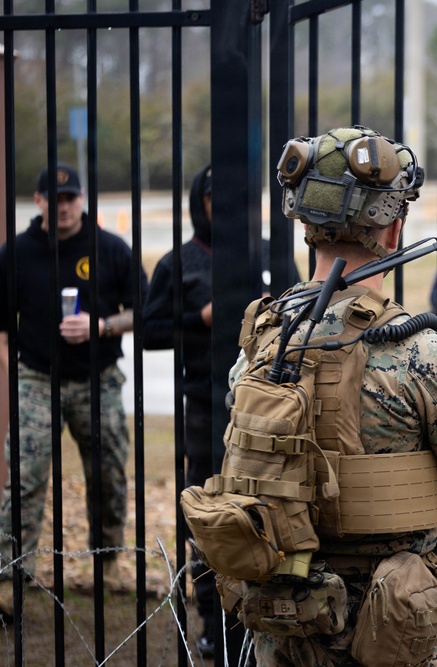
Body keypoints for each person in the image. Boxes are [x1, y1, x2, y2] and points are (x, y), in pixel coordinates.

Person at [213, 126, 437, 666]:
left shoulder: (262, 339)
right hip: (387, 627)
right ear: (393, 231)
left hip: (284, 616)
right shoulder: (422, 353)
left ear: (307, 227)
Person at [0, 162, 149, 616]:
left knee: (109, 474)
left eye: (71, 198)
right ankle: (10, 577)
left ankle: (107, 565)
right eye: (55, 198)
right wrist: (20, 373)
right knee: (23, 480)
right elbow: (3, 328)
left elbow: (143, 311)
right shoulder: (17, 252)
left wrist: (101, 326)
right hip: (36, 378)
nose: (64, 207)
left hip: (98, 378)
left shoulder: (111, 248)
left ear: (81, 200)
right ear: (39, 200)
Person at [141, 164, 218, 657]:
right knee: (208, 516)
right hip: (205, 406)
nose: (222, 203)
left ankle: (267, 618)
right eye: (213, 196)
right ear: (199, 201)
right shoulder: (179, 262)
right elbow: (150, 332)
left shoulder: (267, 253)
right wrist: (199, 319)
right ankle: (213, 622)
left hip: (273, 406)